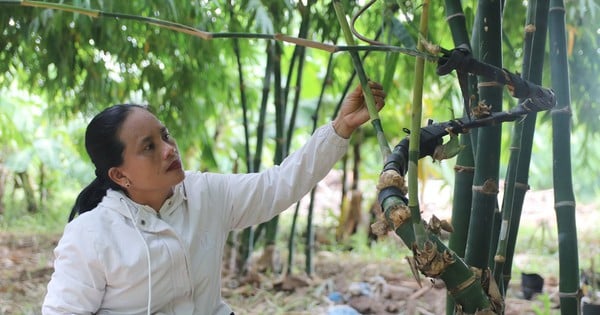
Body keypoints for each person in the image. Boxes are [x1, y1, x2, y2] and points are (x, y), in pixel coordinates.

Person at [42, 81, 386, 315]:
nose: (168, 150)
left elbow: (279, 184)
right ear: (119, 175)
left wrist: (341, 127)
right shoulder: (91, 235)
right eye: (149, 147)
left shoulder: (205, 193)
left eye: (164, 136)